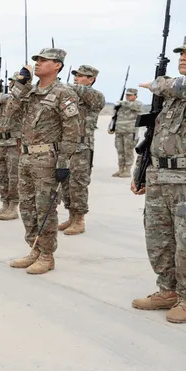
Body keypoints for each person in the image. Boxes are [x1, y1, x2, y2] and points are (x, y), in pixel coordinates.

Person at [8, 48, 80, 275]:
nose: (37, 64)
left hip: (48, 159)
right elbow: (9, 113)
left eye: (43, 60)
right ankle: (34, 248)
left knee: (45, 208)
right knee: (27, 206)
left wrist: (64, 162)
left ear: (57, 65)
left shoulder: (63, 93)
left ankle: (47, 255)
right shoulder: (30, 92)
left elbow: (71, 131)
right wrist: (20, 85)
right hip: (27, 156)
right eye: (36, 60)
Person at [131, 36, 186, 323]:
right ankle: (168, 290)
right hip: (160, 175)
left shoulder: (175, 88)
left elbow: (175, 85)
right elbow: (154, 137)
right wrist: (141, 172)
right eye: (181, 52)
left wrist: (158, 82)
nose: (183, 57)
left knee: (185, 241)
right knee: (158, 238)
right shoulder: (171, 101)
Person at [58, 65, 105, 235]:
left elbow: (83, 92)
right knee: (65, 183)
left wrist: (57, 83)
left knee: (78, 183)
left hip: (82, 147)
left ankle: (79, 220)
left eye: (82, 76)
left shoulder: (95, 95)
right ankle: (71, 215)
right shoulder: (69, 95)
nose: (77, 78)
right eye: (76, 75)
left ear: (91, 79)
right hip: (66, 146)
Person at [0, 72, 23, 221]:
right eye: (11, 82)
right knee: (0, 175)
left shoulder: (20, 98)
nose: (12, 84)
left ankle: (13, 206)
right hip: (1, 141)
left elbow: (8, 98)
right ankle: (4, 203)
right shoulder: (4, 100)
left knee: (13, 176)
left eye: (15, 82)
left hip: (14, 142)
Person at [110, 88, 143, 177]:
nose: (127, 96)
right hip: (119, 130)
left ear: (135, 96)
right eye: (126, 95)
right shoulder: (121, 105)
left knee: (128, 150)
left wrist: (121, 103)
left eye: (130, 95)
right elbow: (115, 116)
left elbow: (133, 106)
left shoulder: (137, 104)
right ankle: (121, 169)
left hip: (130, 131)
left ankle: (127, 170)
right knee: (120, 150)